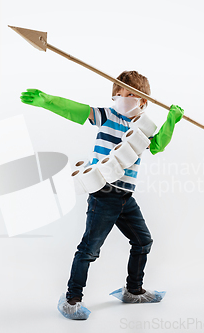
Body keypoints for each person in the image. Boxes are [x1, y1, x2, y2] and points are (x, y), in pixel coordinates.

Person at [20, 70, 184, 320]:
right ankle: (71, 299)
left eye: (130, 94)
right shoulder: (107, 115)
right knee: (89, 249)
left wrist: (171, 120)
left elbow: (158, 145)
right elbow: (78, 110)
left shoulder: (142, 127)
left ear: (143, 101)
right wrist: (48, 101)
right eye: (118, 93)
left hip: (125, 196)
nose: (122, 98)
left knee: (143, 241)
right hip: (103, 192)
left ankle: (133, 290)